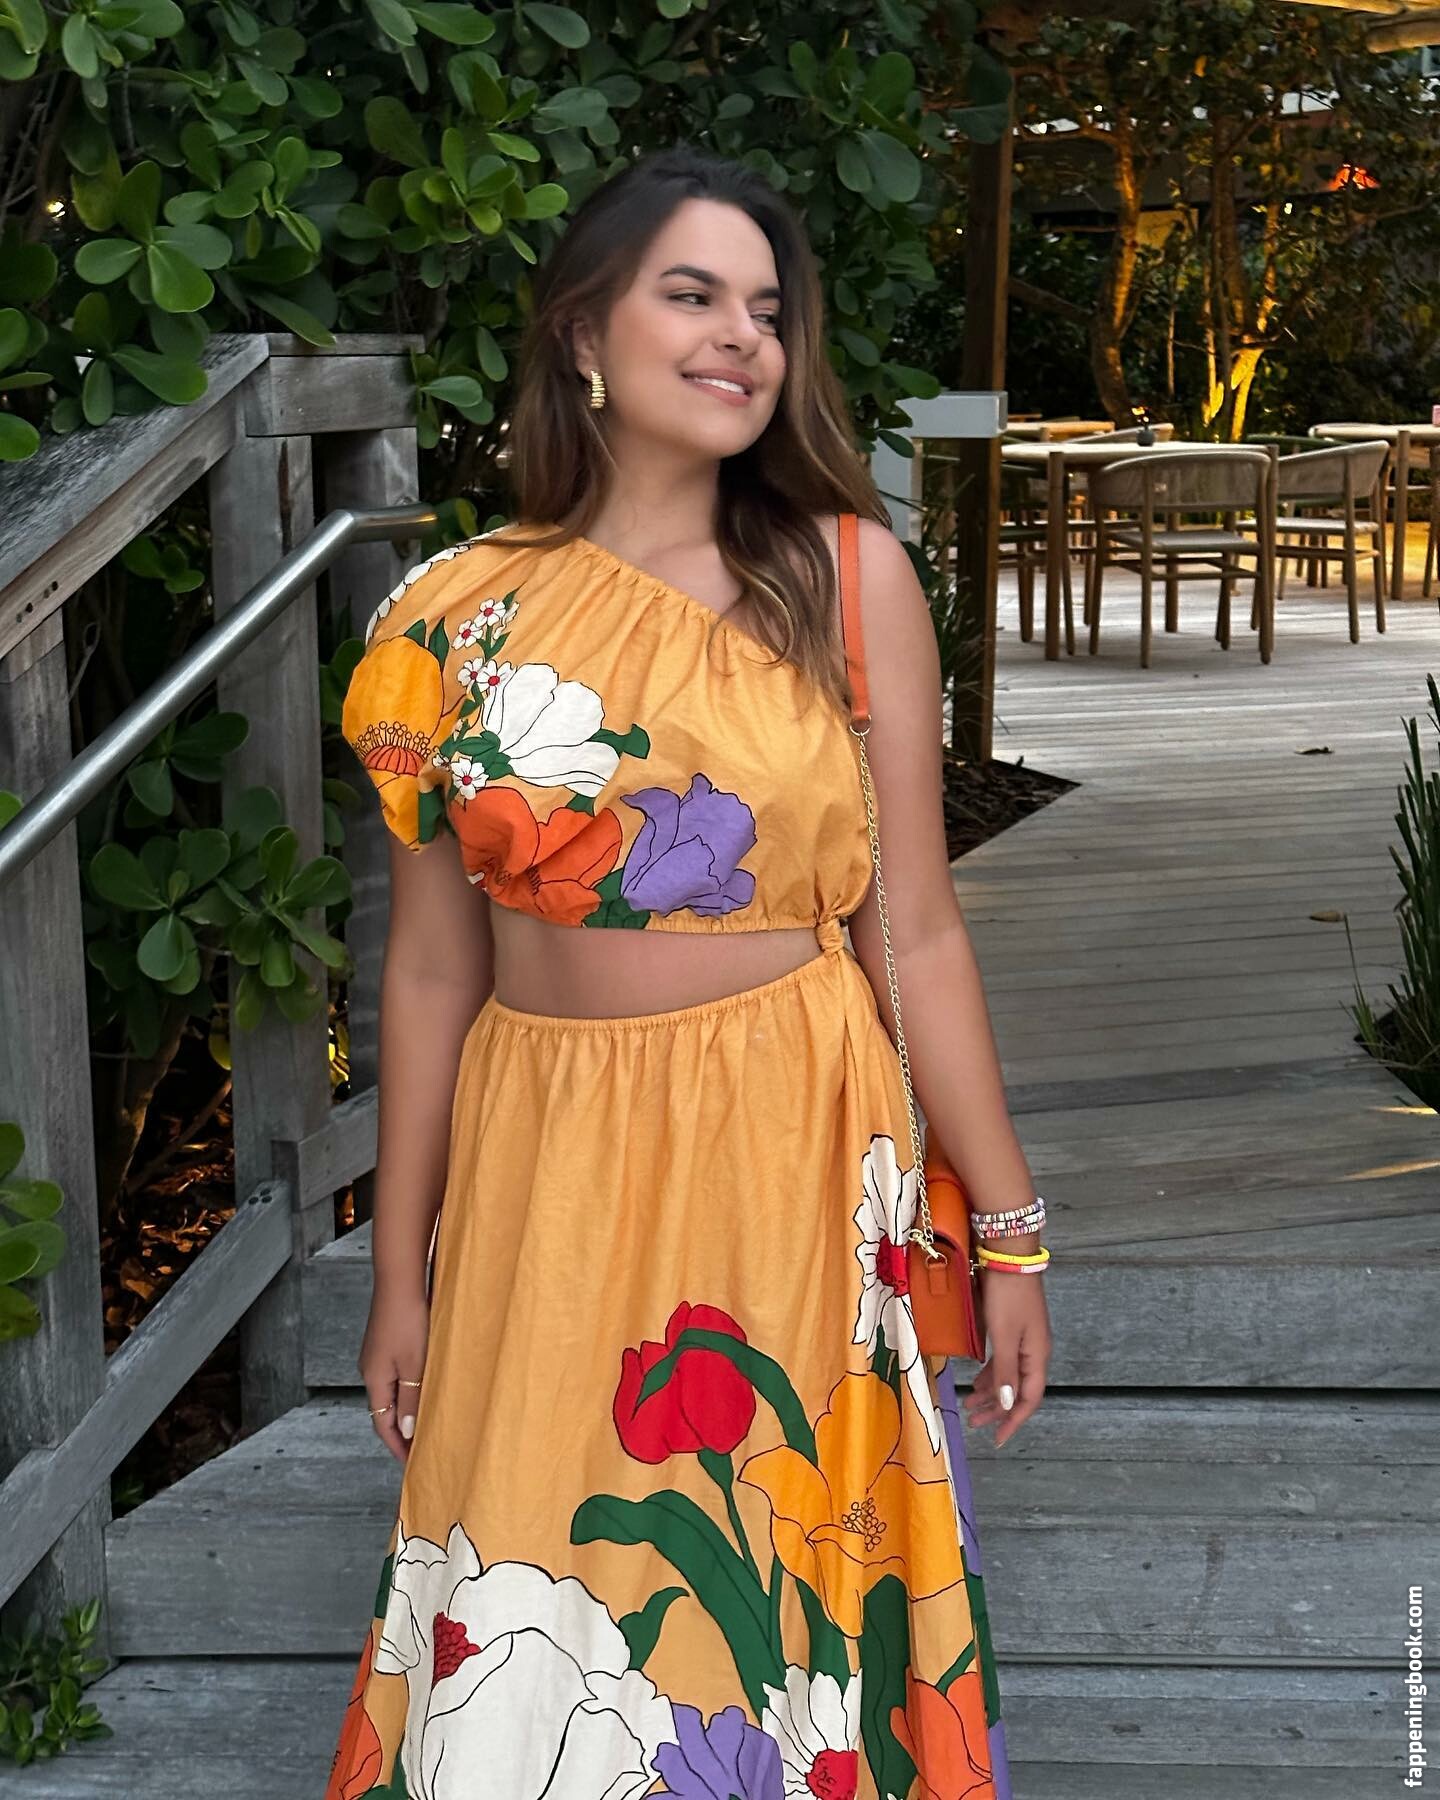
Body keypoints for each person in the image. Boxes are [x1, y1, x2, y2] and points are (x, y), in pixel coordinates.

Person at [325, 141, 1050, 1800]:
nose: (742, 338)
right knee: (516, 1568)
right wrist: (399, 1270)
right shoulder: (451, 618)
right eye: (694, 295)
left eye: (768, 312)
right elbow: (428, 976)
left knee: (760, 1602)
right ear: (585, 331)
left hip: (787, 1142)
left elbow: (917, 929)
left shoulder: (842, 579)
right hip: (542, 1156)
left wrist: (1010, 1229)